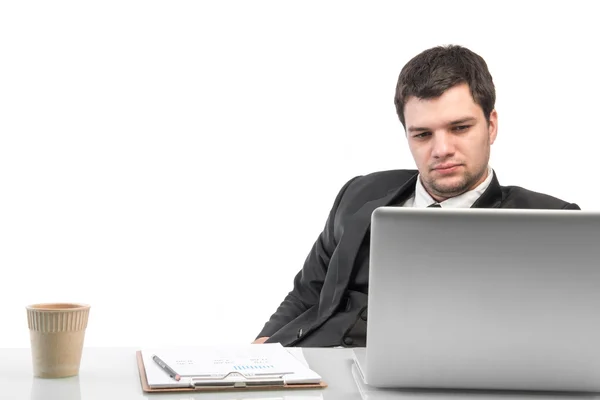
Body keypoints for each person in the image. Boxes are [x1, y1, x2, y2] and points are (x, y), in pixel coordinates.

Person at [253, 44, 580, 348]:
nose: (441, 150)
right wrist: (260, 355)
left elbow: (561, 338)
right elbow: (307, 293)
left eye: (460, 128)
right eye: (423, 134)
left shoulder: (552, 222)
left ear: (491, 126)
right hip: (312, 366)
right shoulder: (358, 193)